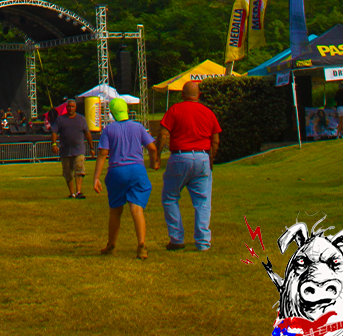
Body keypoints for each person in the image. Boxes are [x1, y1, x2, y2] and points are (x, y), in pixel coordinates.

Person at [158, 80, 221, 251]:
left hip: (179, 156)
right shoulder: (208, 112)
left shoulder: (175, 110)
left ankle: (177, 239)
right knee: (202, 201)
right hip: (202, 157)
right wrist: (211, 160)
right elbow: (215, 140)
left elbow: (163, 134)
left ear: (182, 94)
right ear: (199, 95)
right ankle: (203, 242)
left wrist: (156, 156)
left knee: (170, 197)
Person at [93, 98, 158, 259]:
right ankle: (141, 245)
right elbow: (152, 147)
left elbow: (102, 153)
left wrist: (96, 177)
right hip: (137, 170)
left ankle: (111, 245)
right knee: (136, 209)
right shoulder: (138, 127)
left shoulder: (108, 130)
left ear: (112, 113)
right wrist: (153, 163)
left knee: (115, 211)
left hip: (117, 171)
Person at [52, 99, 92, 199]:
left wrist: (92, 147)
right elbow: (54, 132)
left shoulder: (81, 119)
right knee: (67, 173)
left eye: (72, 106)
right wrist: (53, 144)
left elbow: (87, 133)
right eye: (69, 106)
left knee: (79, 170)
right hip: (65, 151)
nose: (70, 108)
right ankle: (72, 193)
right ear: (66, 107)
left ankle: (78, 192)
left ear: (75, 108)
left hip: (79, 150)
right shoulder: (60, 119)